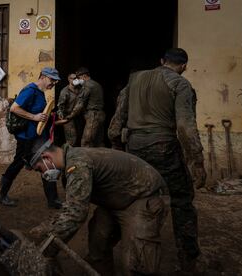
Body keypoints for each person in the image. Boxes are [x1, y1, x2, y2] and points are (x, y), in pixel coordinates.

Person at [107, 48, 207, 272]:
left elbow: (116, 123)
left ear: (162, 61)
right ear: (184, 66)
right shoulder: (181, 84)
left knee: (132, 198)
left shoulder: (133, 81)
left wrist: (117, 147)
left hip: (134, 148)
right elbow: (185, 127)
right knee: (182, 200)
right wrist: (197, 162)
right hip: (165, 150)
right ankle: (189, 259)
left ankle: (107, 249)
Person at [26, 139, 167, 275]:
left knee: (136, 261)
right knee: (98, 239)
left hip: (143, 195)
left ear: (47, 157)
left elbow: (75, 214)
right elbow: (70, 208)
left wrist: (47, 247)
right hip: (118, 197)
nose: (43, 175)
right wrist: (45, 228)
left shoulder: (78, 164)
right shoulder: (72, 160)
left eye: (40, 169)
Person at [0, 67, 63, 209]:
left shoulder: (40, 93)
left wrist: (52, 119)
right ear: (43, 77)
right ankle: (2, 195)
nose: (53, 84)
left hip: (38, 137)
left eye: (55, 82)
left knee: (48, 163)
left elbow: (41, 115)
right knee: (17, 165)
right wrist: (35, 117)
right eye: (52, 80)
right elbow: (15, 108)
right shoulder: (30, 90)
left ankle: (53, 200)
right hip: (27, 138)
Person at [64, 67, 105, 147]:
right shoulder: (97, 84)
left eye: (78, 78)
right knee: (98, 142)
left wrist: (70, 116)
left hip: (93, 116)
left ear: (84, 76)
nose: (77, 80)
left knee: (86, 142)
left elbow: (80, 103)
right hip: (100, 114)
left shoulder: (87, 85)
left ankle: (86, 159)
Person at [56, 73, 82, 146]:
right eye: (72, 78)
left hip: (78, 117)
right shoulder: (65, 91)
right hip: (68, 118)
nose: (75, 80)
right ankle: (67, 155)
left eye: (76, 78)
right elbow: (60, 106)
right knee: (71, 139)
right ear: (69, 79)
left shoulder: (80, 89)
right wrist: (61, 117)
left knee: (80, 137)